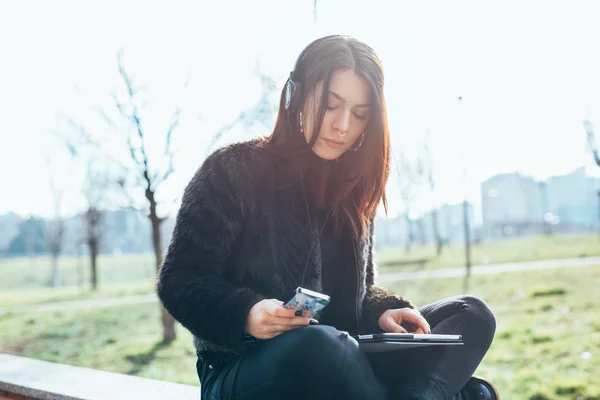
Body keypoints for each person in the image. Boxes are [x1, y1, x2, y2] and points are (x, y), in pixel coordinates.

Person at [158, 34, 498, 400]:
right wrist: (246, 313)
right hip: (249, 367)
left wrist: (384, 311)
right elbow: (179, 281)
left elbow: (358, 295)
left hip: (347, 359)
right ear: (295, 96)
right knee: (319, 346)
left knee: (472, 315)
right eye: (331, 106)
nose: (342, 126)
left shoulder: (353, 188)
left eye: (359, 114)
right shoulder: (231, 170)